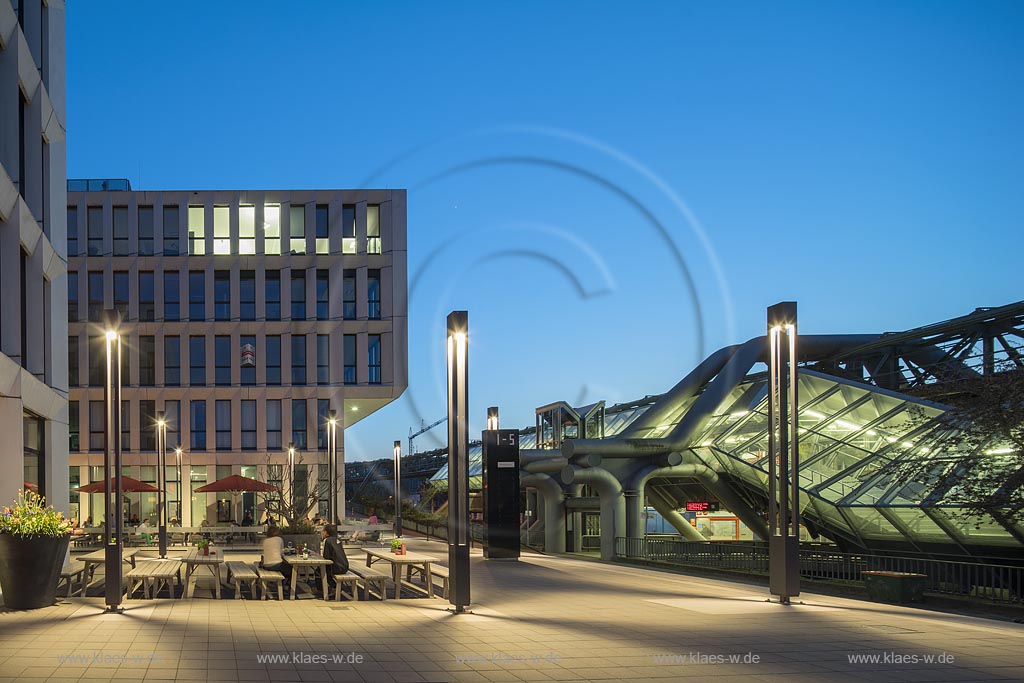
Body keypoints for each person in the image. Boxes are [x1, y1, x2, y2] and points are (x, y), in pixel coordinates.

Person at [318, 524, 350, 597]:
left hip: (336, 567)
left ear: (326, 532)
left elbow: (326, 557)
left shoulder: (327, 540)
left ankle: (332, 588)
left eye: (323, 531)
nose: (322, 532)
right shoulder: (338, 539)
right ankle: (334, 588)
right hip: (345, 565)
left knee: (320, 571)